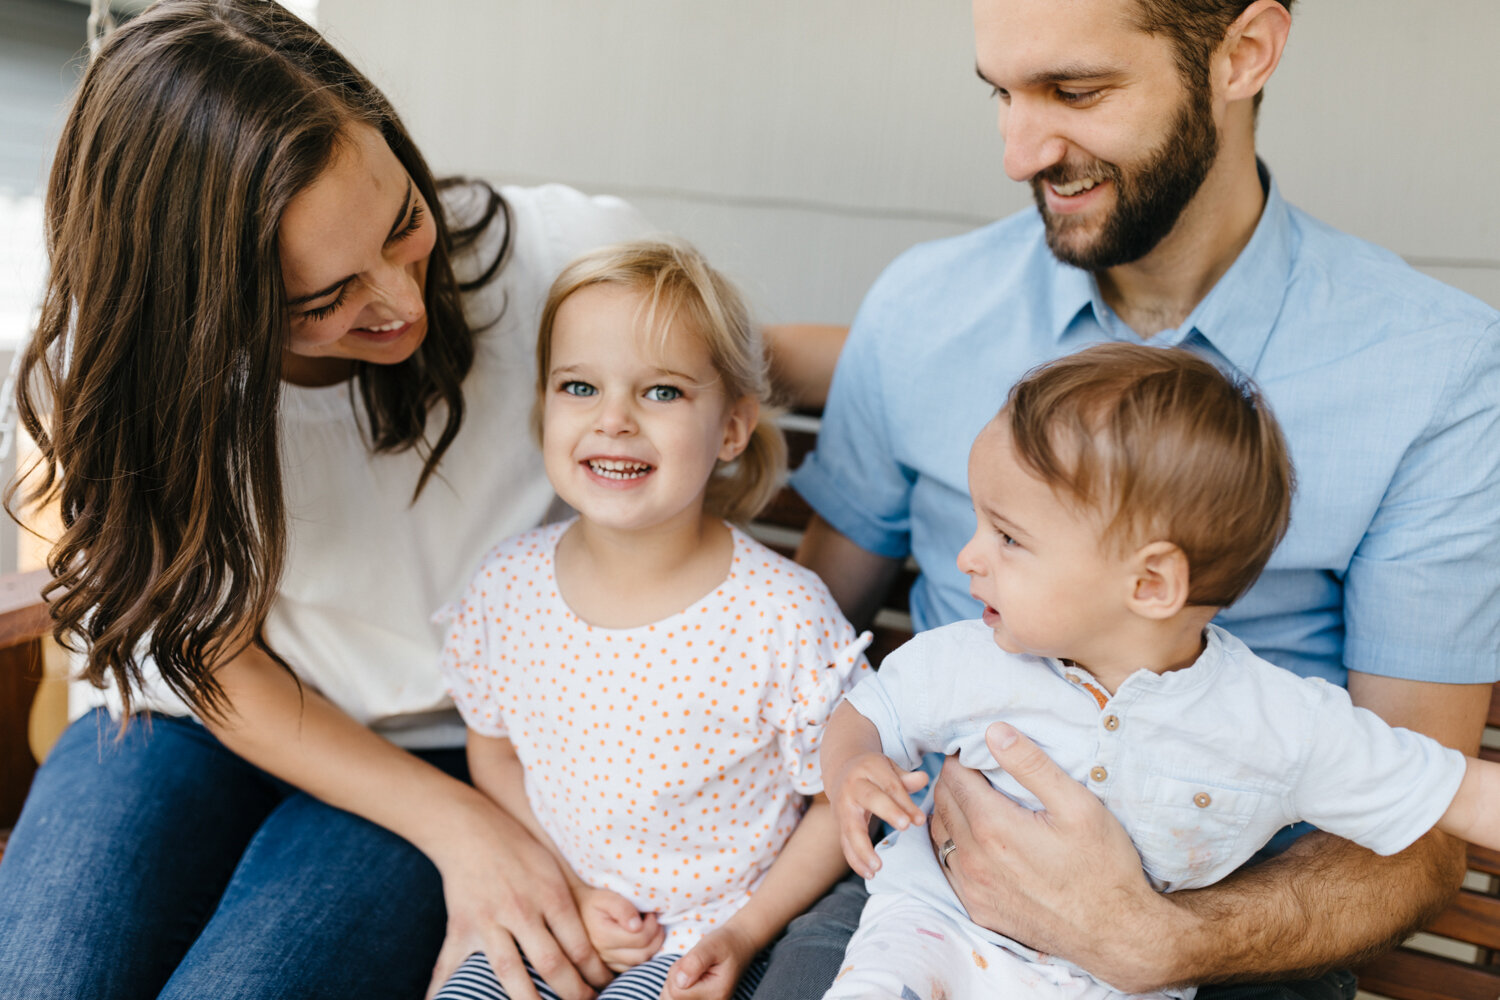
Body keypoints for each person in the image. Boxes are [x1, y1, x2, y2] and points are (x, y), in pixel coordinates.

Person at [0, 4, 832, 999]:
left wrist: (1001, 374)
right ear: (202, 307)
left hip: (443, 749)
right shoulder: (123, 362)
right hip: (190, 715)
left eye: (402, 227)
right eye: (323, 300)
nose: (401, 300)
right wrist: (469, 835)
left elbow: (732, 365)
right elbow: (209, 657)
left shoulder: (551, 255)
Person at [765, 0, 1500, 998]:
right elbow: (804, 656)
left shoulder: (1434, 368)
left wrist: (1159, 937)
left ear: (1244, 54)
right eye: (1001, 93)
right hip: (923, 893)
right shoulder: (925, 305)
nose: (1019, 152)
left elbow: (1414, 833)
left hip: (1238, 926)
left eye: (1075, 90)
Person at [819, 344, 1500, 1000]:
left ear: (1149, 584)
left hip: (1114, 980)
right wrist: (853, 766)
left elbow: (1459, 795)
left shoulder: (1281, 725)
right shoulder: (971, 659)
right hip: (936, 928)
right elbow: (868, 713)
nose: (969, 557)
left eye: (1008, 537)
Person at [428, 239, 867, 1000]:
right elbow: (495, 752)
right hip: (564, 906)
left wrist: (745, 934)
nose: (615, 421)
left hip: (711, 936)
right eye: (579, 387)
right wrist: (567, 884)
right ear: (544, 408)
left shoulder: (779, 615)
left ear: (731, 428)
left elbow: (839, 800)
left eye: (661, 392)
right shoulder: (508, 586)